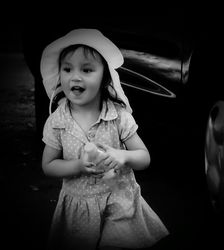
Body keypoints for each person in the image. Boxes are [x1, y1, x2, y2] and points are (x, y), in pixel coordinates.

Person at [40, 28, 169, 250]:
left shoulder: (118, 117)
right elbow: (48, 165)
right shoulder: (57, 121)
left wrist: (122, 156)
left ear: (105, 78)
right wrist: (78, 165)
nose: (75, 76)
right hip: (80, 211)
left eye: (87, 69)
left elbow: (144, 157)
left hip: (120, 203)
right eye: (67, 69)